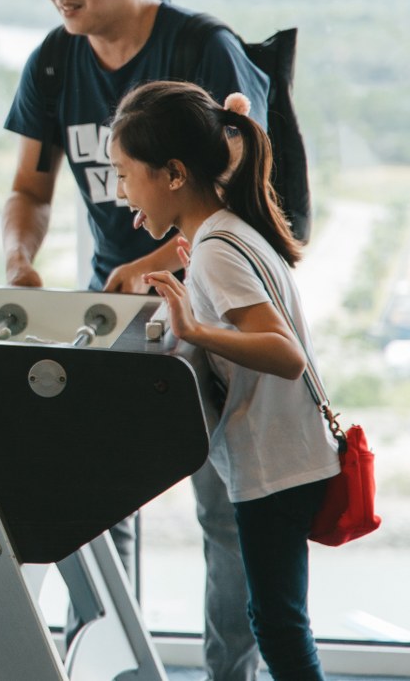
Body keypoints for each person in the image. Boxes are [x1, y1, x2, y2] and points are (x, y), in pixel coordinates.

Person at [1, 0, 268, 680]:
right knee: (97, 504)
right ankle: (115, 666)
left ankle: (232, 673)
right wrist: (18, 257)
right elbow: (27, 190)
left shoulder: (200, 49)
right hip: (112, 312)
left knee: (225, 516)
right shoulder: (52, 61)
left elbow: (248, 189)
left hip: (214, 304)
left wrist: (151, 264)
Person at [111, 80, 338, 681]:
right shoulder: (223, 232)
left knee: (279, 626)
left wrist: (194, 327)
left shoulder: (216, 250)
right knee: (278, 619)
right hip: (286, 454)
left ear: (174, 174)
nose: (120, 190)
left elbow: (282, 353)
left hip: (274, 462)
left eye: (125, 173)